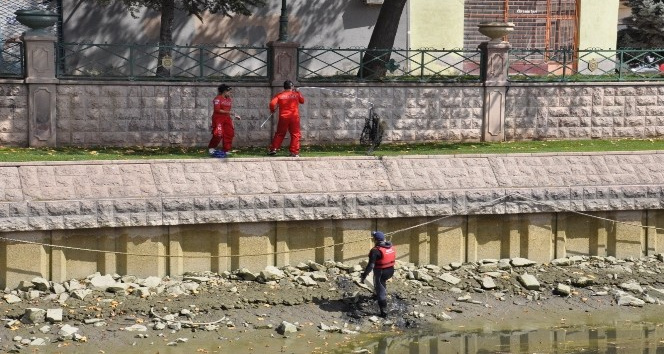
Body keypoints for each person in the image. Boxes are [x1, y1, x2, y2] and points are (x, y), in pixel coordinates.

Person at [359, 230, 396, 318]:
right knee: (381, 284)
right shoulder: (390, 246)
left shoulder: (375, 251)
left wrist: (364, 275)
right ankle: (377, 294)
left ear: (375, 240)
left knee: (381, 291)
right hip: (391, 270)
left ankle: (384, 313)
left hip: (381, 272)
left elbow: (371, 265)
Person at [267, 80, 305, 157]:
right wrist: (298, 92)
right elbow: (302, 101)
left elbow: (272, 103)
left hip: (283, 117)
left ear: (284, 87)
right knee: (295, 134)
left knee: (280, 133)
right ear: (292, 87)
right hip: (294, 117)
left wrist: (272, 110)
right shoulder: (296, 94)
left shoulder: (280, 95)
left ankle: (273, 149)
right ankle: (294, 152)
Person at [208, 84, 240, 158]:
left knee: (230, 133)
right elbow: (217, 110)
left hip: (227, 118)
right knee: (218, 134)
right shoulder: (217, 99)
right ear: (224, 91)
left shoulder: (229, 99)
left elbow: (228, 110)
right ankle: (211, 148)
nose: (230, 93)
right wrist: (230, 112)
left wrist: (235, 115)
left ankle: (226, 150)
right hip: (218, 118)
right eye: (229, 92)